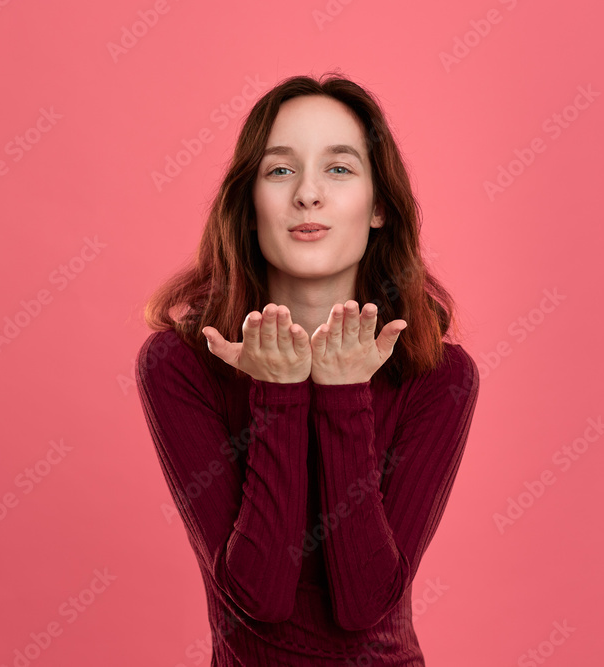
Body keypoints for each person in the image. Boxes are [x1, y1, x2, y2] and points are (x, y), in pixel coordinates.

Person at [135, 70, 480, 666]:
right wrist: (280, 392)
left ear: (379, 208)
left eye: (339, 168)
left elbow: (364, 603)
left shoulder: (440, 377)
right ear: (247, 206)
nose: (308, 195)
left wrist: (344, 393)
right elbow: (258, 596)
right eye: (280, 170)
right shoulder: (181, 364)